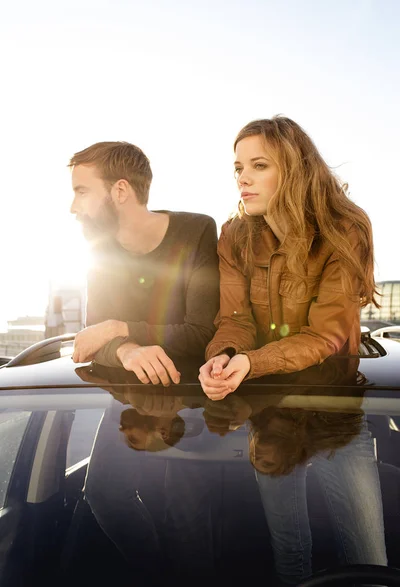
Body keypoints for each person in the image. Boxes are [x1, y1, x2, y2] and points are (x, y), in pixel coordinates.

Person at [199, 116, 379, 400]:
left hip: (330, 400)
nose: (242, 178)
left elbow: (323, 336)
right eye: (238, 168)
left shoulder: (344, 232)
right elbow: (235, 321)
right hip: (261, 398)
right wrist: (225, 355)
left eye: (259, 166)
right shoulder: (234, 235)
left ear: (295, 171)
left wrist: (252, 362)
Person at [69, 141, 219, 383]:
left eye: (82, 192)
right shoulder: (101, 252)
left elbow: (202, 333)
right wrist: (126, 351)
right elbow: (92, 341)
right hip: (118, 406)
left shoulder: (196, 231)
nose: (73, 207)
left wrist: (118, 329)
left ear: (120, 191)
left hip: (191, 402)